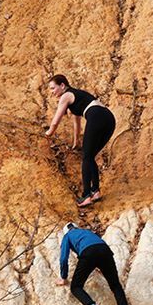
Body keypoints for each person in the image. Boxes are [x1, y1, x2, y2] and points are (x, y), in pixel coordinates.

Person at [44, 74, 116, 206]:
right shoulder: (76, 97)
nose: (52, 92)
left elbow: (56, 120)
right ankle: (95, 192)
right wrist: (76, 142)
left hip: (96, 116)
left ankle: (86, 196)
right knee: (90, 156)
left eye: (53, 88)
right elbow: (77, 124)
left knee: (86, 157)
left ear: (62, 85)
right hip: (109, 119)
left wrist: (48, 133)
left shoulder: (66, 96)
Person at [56, 222, 142, 305]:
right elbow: (97, 245)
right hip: (106, 251)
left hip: (88, 254)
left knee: (76, 287)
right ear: (76, 227)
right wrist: (100, 265)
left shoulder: (67, 236)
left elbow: (63, 258)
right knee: (115, 285)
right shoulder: (87, 231)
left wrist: (63, 277)